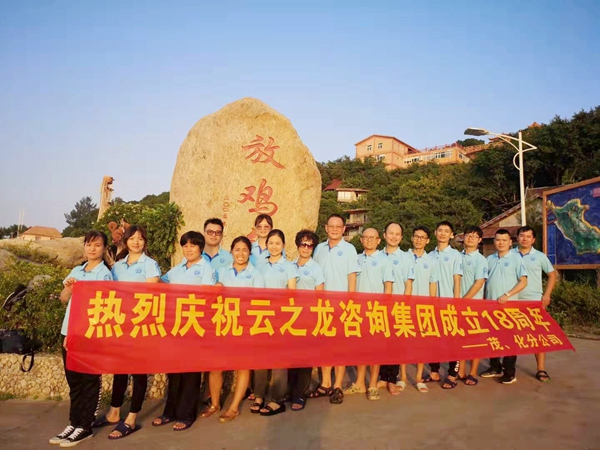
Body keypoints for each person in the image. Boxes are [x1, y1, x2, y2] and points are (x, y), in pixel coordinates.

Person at [96, 226, 160, 440]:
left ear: (145, 242)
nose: (136, 242)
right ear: (125, 241)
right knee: (120, 370)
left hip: (140, 325)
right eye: (132, 238)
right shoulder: (118, 266)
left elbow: (151, 295)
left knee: (139, 371)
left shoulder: (150, 265)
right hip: (120, 325)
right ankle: (114, 412)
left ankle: (132, 418)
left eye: (140, 239)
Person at [49, 231, 113, 447]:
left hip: (89, 335)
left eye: (97, 245)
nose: (92, 249)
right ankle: (74, 422)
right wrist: (69, 289)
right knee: (74, 380)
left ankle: (85, 426)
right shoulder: (77, 270)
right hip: (69, 332)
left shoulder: (104, 274)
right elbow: (63, 298)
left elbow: (102, 307)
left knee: (89, 380)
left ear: (104, 248)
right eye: (88, 244)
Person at [152, 231, 216, 431]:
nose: (189, 249)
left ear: (200, 248)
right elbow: (161, 284)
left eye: (193, 245)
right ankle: (169, 412)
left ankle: (187, 414)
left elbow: (207, 297)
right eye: (185, 245)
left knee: (190, 372)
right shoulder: (177, 268)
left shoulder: (206, 269)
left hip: (194, 326)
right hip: (175, 326)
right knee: (174, 371)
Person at [201, 236, 265, 423]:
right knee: (215, 367)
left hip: (244, 326)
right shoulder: (221, 272)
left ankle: (234, 407)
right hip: (223, 324)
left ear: (249, 253)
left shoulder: (256, 274)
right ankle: (214, 404)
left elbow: (259, 302)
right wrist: (216, 288)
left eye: (245, 250)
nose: (241, 253)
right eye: (237, 249)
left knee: (243, 367)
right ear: (231, 252)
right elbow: (209, 297)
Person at [311, 214, 360, 405]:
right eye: (331, 226)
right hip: (322, 306)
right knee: (324, 346)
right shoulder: (319, 249)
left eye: (338, 226)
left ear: (343, 229)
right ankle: (325, 383)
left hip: (341, 305)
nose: (334, 229)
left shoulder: (349, 249)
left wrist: (350, 303)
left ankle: (338, 385)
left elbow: (352, 277)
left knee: (339, 347)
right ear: (326, 228)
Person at [344, 228, 393, 401]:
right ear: (361, 240)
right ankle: (359, 383)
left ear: (379, 240)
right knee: (360, 349)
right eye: (366, 237)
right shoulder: (356, 259)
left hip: (376, 311)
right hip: (358, 311)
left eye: (373, 237)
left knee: (375, 350)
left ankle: (372, 384)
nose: (369, 240)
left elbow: (388, 287)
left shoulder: (385, 260)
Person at [254, 229, 297, 416]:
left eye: (277, 243)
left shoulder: (289, 266)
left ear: (283, 245)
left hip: (281, 317)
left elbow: (292, 293)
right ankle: (259, 395)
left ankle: (277, 399)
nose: (274, 246)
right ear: (266, 245)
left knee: (279, 359)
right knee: (261, 358)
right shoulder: (259, 265)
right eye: (270, 243)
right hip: (261, 316)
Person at [480, 229, 528, 384]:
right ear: (494, 242)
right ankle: (495, 367)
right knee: (493, 338)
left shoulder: (516, 258)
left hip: (509, 307)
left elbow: (523, 282)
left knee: (509, 340)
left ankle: (509, 373)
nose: (501, 243)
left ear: (510, 242)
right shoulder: (489, 259)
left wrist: (507, 294)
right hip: (491, 306)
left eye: (504, 240)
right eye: (498, 240)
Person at [513, 225, 556, 382]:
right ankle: (507, 369)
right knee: (510, 336)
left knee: (538, 336)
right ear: (517, 238)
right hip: (512, 301)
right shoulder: (510, 254)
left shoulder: (539, 256)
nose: (524, 239)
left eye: (528, 236)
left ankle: (541, 369)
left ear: (533, 240)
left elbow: (552, 275)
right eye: (522, 236)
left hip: (533, 301)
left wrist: (547, 295)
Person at [290, 229, 325, 411]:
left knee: (304, 359)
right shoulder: (290, 265)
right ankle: (290, 391)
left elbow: (320, 295)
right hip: (290, 318)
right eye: (303, 244)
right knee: (291, 357)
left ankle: (300, 394)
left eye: (310, 245)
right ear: (298, 245)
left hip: (308, 318)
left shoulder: (316, 268)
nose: (306, 248)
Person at [379, 221, 414, 395]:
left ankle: (392, 379)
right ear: (384, 235)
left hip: (397, 307)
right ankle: (382, 377)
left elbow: (408, 284)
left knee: (394, 345)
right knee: (380, 343)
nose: (393, 237)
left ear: (401, 237)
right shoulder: (377, 255)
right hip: (378, 307)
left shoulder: (406, 258)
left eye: (397, 234)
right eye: (390, 233)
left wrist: (404, 306)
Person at [430, 221, 463, 389]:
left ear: (451, 235)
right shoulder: (429, 255)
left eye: (446, 231)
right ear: (435, 233)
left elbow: (457, 280)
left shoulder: (456, 255)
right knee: (433, 339)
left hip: (449, 303)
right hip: (432, 304)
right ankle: (434, 371)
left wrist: (456, 302)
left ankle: (452, 374)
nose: (443, 233)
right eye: (440, 230)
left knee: (452, 340)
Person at [408, 226, 439, 393]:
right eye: (416, 236)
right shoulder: (404, 257)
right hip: (405, 307)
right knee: (403, 343)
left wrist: (432, 306)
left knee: (421, 344)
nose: (419, 240)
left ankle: (419, 377)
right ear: (412, 238)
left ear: (427, 241)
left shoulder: (432, 261)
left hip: (423, 308)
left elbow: (433, 285)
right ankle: (402, 377)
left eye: (422, 237)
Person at [456, 226, 488, 386]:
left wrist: (465, 300)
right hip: (457, 304)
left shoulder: (481, 260)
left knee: (474, 340)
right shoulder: (457, 256)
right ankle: (460, 370)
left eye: (474, 236)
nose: (470, 238)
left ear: (479, 240)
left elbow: (479, 282)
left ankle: (473, 372)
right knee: (460, 339)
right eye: (468, 235)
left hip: (473, 305)